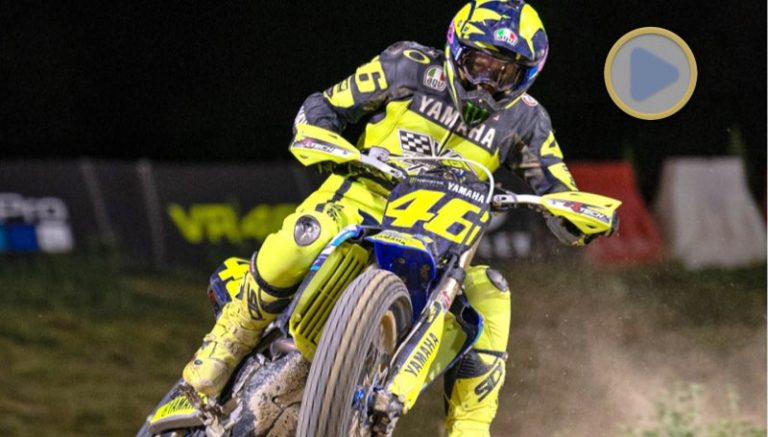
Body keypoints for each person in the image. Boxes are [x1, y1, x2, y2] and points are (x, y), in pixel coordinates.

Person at [183, 1, 593, 434]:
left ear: (524, 76)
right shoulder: (407, 65)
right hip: (366, 195)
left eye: (503, 74)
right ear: (457, 51)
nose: (485, 83)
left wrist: (581, 216)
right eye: (479, 65)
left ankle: (469, 427)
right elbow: (327, 104)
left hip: (443, 232)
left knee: (492, 294)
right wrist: (319, 134)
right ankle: (231, 338)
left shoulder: (528, 119)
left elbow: (560, 187)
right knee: (308, 234)